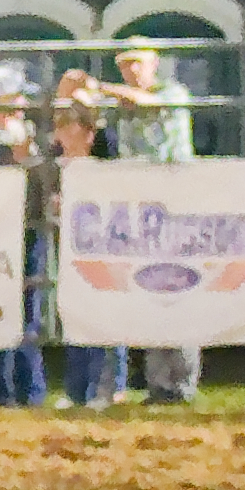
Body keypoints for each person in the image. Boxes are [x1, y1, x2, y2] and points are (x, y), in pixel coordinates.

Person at [93, 45, 201, 403]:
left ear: (154, 65)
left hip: (176, 202)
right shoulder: (125, 101)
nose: (131, 71)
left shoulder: (172, 92)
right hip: (140, 205)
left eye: (137, 63)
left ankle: (180, 382)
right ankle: (159, 382)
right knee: (149, 288)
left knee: (178, 287)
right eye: (125, 65)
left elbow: (147, 103)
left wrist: (100, 88)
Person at [46, 74, 127, 408]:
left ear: (89, 132)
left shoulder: (104, 166)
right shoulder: (56, 165)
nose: (65, 131)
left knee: (106, 312)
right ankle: (78, 389)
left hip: (101, 247)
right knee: (75, 312)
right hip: (71, 248)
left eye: (73, 124)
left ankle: (108, 387)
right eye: (63, 124)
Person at [0, 66, 48, 408]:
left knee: (25, 309)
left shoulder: (9, 133)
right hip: (4, 231)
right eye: (16, 98)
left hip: (22, 229)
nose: (22, 105)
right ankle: (5, 390)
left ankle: (23, 389)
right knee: (6, 309)